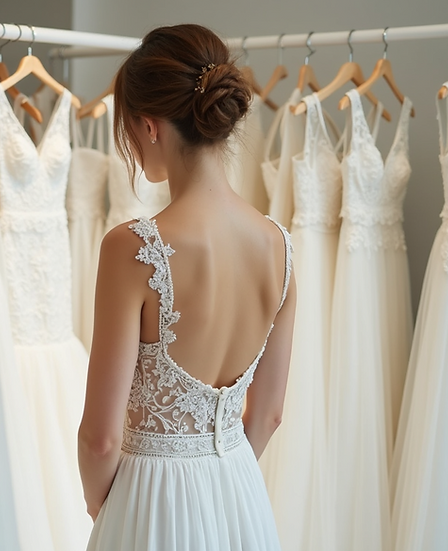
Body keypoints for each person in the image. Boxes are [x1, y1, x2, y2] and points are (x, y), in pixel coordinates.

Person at [78, 24, 295, 550]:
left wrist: (103, 509)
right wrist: (221, 482)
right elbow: (267, 414)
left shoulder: (132, 248)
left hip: (151, 498)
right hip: (241, 491)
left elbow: (100, 437)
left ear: (150, 127)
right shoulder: (278, 244)